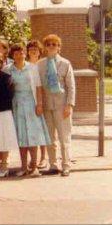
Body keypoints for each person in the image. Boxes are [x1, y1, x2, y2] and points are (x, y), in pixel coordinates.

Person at [8, 43, 50, 177]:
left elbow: (38, 87)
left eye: (21, 52)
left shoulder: (32, 68)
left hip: (31, 103)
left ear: (25, 53)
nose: (19, 55)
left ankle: (34, 167)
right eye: (16, 53)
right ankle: (23, 167)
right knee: (21, 135)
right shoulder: (8, 69)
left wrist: (39, 104)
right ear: (12, 55)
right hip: (17, 103)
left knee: (33, 134)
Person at [39, 33, 75, 177]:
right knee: (49, 138)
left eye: (54, 44)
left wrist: (69, 105)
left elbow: (71, 86)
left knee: (64, 137)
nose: (51, 47)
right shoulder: (40, 64)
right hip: (47, 105)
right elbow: (38, 86)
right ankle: (53, 165)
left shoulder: (65, 63)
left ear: (59, 47)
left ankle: (66, 165)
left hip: (62, 105)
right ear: (45, 47)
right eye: (48, 44)